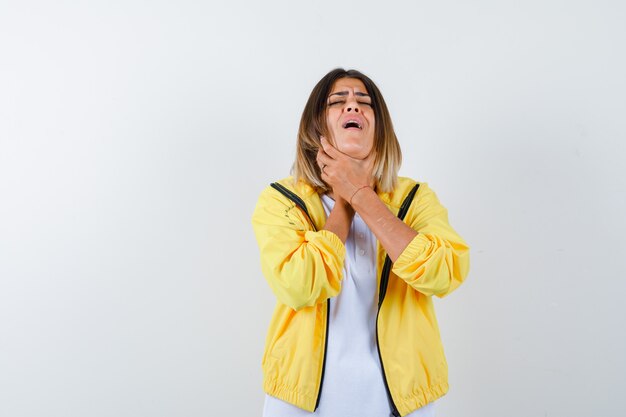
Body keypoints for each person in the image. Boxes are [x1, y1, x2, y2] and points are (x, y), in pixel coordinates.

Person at [251, 68, 470, 417]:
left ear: (378, 128)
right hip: (299, 404)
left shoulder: (415, 198)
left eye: (364, 102)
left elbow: (443, 273)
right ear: (316, 127)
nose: (352, 107)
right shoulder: (281, 200)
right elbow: (298, 285)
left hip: (404, 403)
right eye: (338, 101)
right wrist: (344, 202)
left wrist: (361, 194)